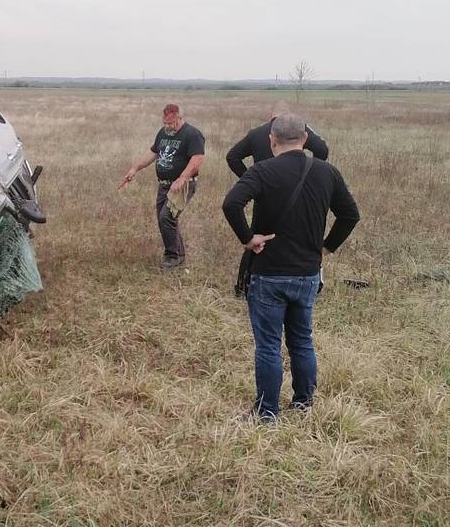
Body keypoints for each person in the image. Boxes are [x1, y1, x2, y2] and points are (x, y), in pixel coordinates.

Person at [221, 113, 360, 421]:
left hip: (268, 274)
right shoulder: (327, 172)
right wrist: (325, 247)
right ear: (305, 139)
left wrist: (248, 239)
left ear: (272, 141)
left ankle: (267, 412)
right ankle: (303, 402)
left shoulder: (261, 171)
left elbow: (231, 203)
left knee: (269, 346)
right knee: (301, 340)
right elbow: (351, 215)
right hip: (307, 275)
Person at [226, 102, 330, 297]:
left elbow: (232, 157)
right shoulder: (299, 132)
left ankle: (242, 286)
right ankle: (303, 285)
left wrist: (249, 180)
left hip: (264, 192)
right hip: (297, 193)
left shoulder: (256, 133)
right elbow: (323, 151)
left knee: (256, 239)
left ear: (270, 116)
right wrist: (311, 173)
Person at [120, 104, 205, 269]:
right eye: (165, 123)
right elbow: (153, 153)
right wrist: (135, 168)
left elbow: (197, 159)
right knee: (163, 218)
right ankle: (177, 253)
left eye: (171, 123)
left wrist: (182, 178)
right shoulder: (163, 133)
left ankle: (173, 256)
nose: (167, 127)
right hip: (164, 185)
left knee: (167, 217)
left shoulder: (192, 134)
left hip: (182, 185)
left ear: (180, 118)